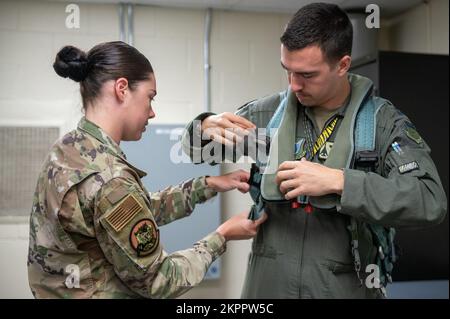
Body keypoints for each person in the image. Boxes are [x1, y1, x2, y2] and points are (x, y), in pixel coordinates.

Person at [181, 3, 447, 298]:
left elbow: (430, 201)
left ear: (343, 65)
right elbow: (197, 152)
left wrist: (341, 182)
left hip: (341, 285)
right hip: (268, 285)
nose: (294, 85)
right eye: (288, 71)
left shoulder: (380, 124)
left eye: (307, 75)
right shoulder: (271, 113)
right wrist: (203, 128)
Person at [27, 41, 267, 299]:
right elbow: (160, 281)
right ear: (122, 89)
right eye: (150, 97)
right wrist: (223, 235)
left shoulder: (67, 149)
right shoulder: (110, 179)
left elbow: (127, 216)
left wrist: (207, 185)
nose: (152, 112)